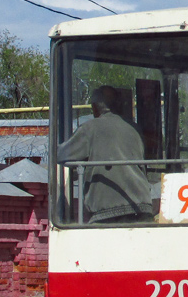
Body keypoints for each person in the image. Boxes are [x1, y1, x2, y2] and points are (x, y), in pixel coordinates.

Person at [57, 86, 152, 223]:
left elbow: (62, 155)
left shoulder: (90, 128)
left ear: (95, 107)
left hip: (107, 211)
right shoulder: (135, 129)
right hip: (142, 207)